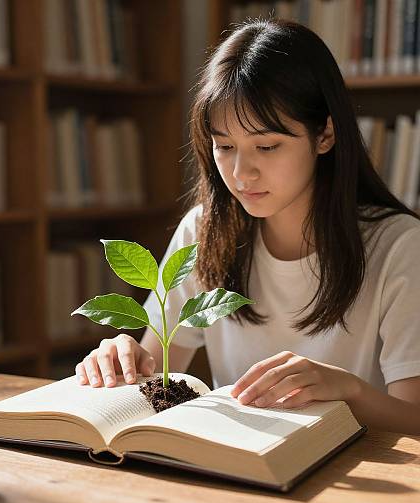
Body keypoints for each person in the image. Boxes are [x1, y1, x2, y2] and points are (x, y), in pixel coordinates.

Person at [75, 19, 420, 434]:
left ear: (325, 134)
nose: (241, 173)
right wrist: (123, 357)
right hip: (236, 468)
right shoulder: (204, 231)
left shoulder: (401, 247)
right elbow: (156, 370)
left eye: (267, 146)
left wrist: (350, 390)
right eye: (224, 146)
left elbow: (414, 420)